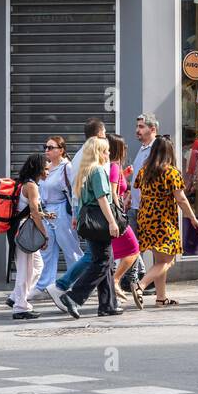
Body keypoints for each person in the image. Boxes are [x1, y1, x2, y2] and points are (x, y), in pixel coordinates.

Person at [49, 136, 124, 319]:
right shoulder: (98, 171)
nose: (108, 154)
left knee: (104, 260)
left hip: (89, 222)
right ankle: (74, 297)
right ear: (99, 152)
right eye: (105, 150)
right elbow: (102, 199)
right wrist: (112, 222)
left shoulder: (85, 171)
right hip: (99, 221)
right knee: (103, 261)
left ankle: (108, 304)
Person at [129, 135, 198, 307]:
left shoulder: (144, 171)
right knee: (168, 261)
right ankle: (141, 285)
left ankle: (161, 298)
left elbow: (135, 188)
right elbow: (181, 199)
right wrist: (192, 217)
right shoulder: (171, 172)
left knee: (159, 260)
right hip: (164, 220)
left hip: (146, 217)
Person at [33, 134, 82, 298]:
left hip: (62, 210)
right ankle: (44, 286)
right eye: (45, 147)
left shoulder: (67, 167)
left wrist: (75, 215)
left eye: (51, 147)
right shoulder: (45, 167)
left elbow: (73, 193)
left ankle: (77, 284)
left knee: (70, 249)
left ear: (61, 150)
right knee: (47, 249)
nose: (47, 150)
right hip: (47, 211)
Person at [10, 152, 49, 321]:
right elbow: (33, 212)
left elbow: (29, 209)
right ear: (39, 169)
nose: (48, 172)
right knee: (25, 271)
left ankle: (15, 297)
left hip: (18, 227)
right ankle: (20, 307)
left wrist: (46, 215)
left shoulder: (23, 183)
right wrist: (44, 235)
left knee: (37, 266)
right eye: (46, 169)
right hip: (24, 230)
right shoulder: (31, 186)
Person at [107, 133, 143, 307]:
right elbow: (113, 191)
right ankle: (115, 281)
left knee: (117, 254)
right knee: (134, 249)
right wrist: (118, 211)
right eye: (124, 147)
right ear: (118, 149)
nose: (126, 149)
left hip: (114, 215)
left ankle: (113, 283)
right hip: (117, 216)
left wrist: (124, 175)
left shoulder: (114, 167)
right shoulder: (113, 166)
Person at [130, 112, 160, 290]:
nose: (137, 130)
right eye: (137, 126)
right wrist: (128, 196)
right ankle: (141, 280)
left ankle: (149, 282)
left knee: (156, 247)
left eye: (141, 127)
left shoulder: (157, 149)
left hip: (148, 208)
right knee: (134, 247)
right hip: (135, 206)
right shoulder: (142, 148)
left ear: (153, 129)